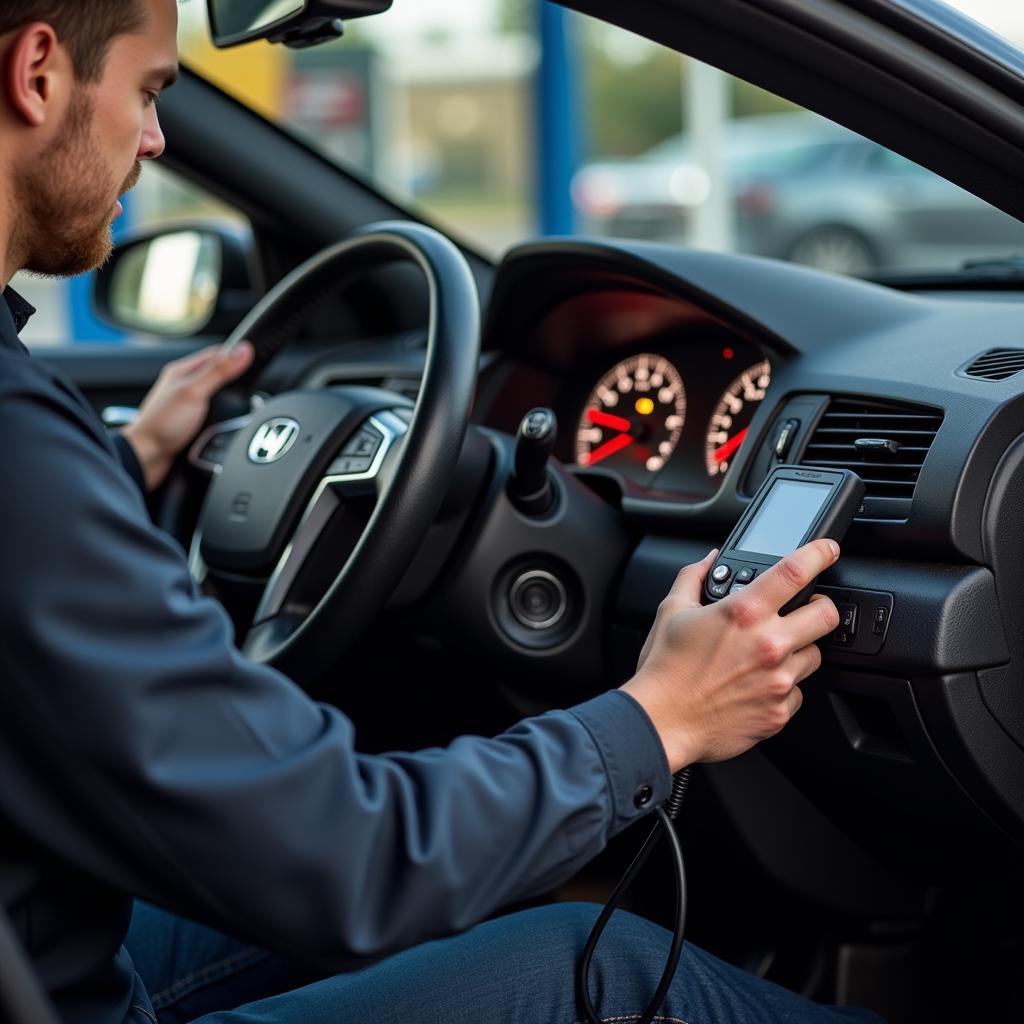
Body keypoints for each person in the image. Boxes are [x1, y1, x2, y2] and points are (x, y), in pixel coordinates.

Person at [0, 2, 881, 1023]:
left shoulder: (37, 450)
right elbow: (352, 863)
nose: (157, 139)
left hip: (37, 952)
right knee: (601, 968)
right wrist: (661, 718)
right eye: (151, 91)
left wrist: (128, 456)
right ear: (37, 72)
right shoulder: (24, 452)